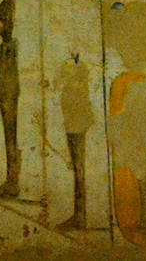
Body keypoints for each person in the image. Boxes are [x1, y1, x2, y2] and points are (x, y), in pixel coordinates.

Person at [0, 0, 21, 198]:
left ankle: (13, 181)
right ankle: (11, 180)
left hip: (9, 95)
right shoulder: (4, 46)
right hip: (5, 94)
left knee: (11, 135)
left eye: (0, 21)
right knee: (9, 135)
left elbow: (8, 77)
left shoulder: (10, 47)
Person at [57, 53, 93, 228]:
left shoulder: (78, 88)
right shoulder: (73, 88)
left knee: (79, 171)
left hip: (76, 128)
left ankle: (80, 215)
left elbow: (81, 112)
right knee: (77, 170)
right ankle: (79, 213)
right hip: (73, 127)